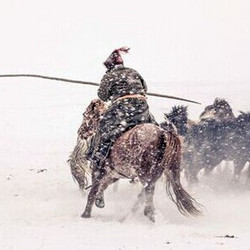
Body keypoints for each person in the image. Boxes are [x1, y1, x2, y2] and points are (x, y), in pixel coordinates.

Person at [87, 47, 157, 180]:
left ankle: (100, 156)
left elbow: (103, 96)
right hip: (142, 108)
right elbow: (145, 88)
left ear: (109, 66)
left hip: (122, 109)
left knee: (104, 128)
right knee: (154, 126)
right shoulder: (133, 72)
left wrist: (115, 91)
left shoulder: (109, 75)